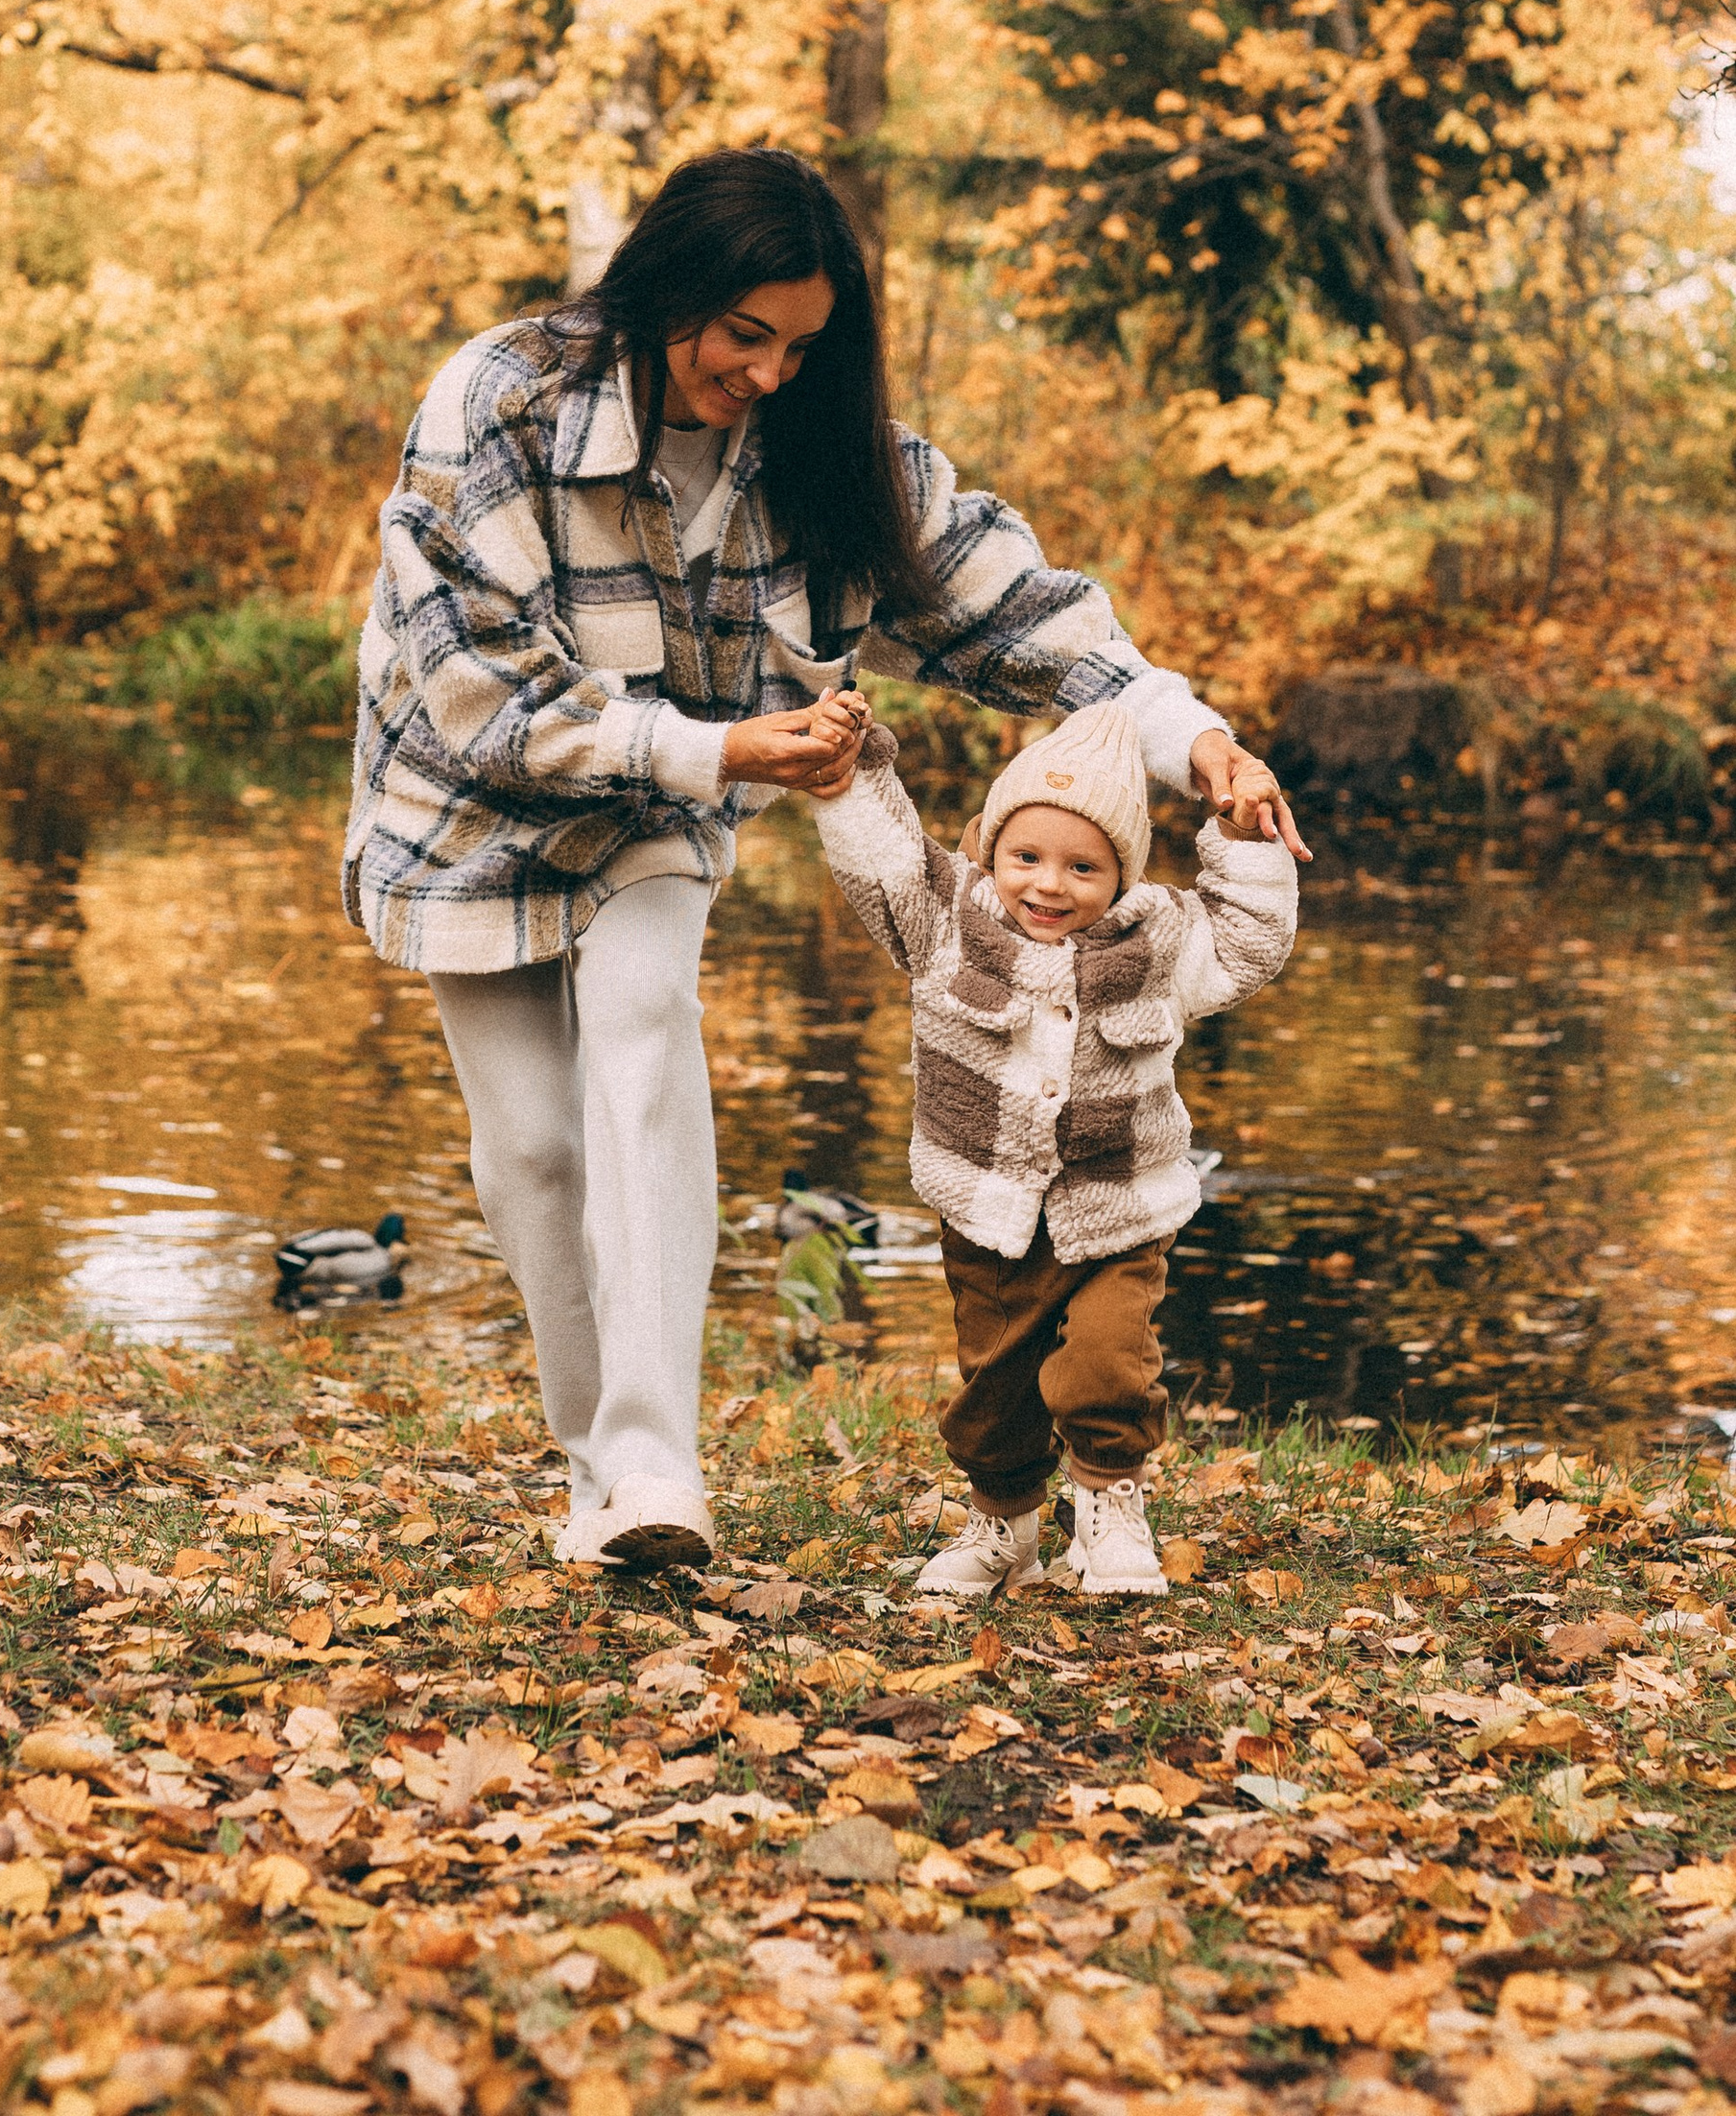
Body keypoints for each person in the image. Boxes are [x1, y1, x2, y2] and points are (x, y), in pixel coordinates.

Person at [342, 146, 1301, 1575]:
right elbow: (481, 699)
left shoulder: (824, 451)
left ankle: (659, 1470)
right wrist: (729, 752)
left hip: (659, 818)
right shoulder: (502, 402)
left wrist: (1195, 740)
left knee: (648, 1035)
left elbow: (1020, 616)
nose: (773, 375)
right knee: (535, 1154)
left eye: (804, 345)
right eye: (746, 335)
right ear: (668, 289)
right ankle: (594, 1460)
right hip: (469, 810)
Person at [808, 697, 1299, 1597]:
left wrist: (1246, 840)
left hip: (1120, 1209)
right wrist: (852, 772)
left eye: (1083, 866)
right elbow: (883, 866)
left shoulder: (1155, 942)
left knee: (1106, 1364)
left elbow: (1250, 944)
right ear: (989, 851)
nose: (1048, 884)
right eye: (1025, 857)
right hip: (987, 1211)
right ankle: (1003, 1524)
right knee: (992, 1393)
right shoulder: (945, 923)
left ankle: (1111, 1508)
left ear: (1123, 876)